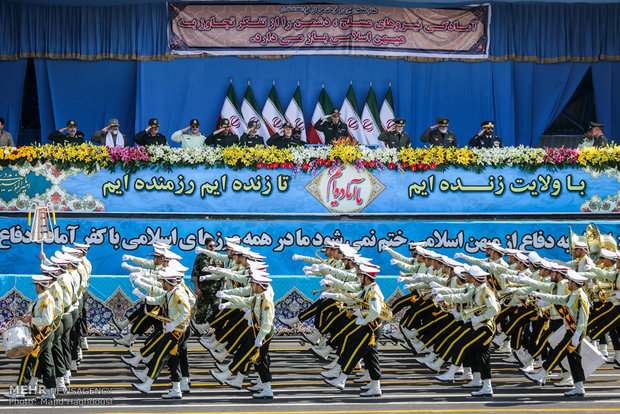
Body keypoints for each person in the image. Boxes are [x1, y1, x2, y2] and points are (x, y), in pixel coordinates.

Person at [3, 274, 57, 400]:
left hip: (41, 335)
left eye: (36, 285)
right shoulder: (42, 298)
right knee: (47, 362)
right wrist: (28, 318)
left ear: (39, 286)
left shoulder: (46, 300)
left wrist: (31, 319)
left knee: (27, 361)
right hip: (44, 334)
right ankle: (50, 390)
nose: (35, 288)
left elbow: (47, 320)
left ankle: (20, 389)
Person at [190, 238, 224, 334]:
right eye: (210, 246)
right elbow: (195, 274)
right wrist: (196, 288)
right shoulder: (200, 258)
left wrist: (224, 287)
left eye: (214, 245)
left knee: (217, 312)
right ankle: (198, 332)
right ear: (205, 246)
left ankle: (218, 332)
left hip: (216, 291)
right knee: (201, 313)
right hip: (203, 290)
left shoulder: (220, 257)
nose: (213, 248)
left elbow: (224, 274)